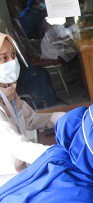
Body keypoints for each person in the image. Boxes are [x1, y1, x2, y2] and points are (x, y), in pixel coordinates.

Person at [0, 32, 65, 186]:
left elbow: (31, 119)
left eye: (13, 55)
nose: (12, 62)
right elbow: (21, 148)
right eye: (3, 58)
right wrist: (59, 154)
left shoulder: (9, 95)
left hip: (23, 173)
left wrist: (61, 118)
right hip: (9, 185)